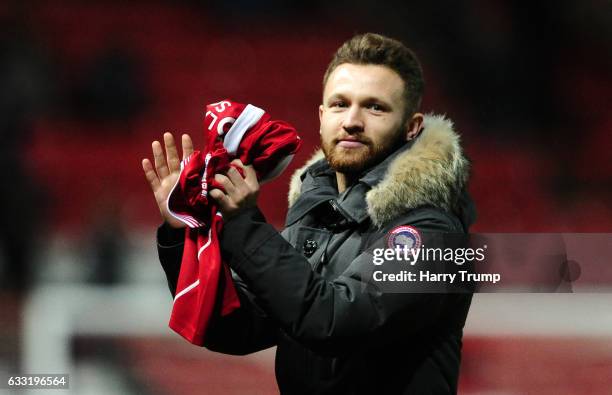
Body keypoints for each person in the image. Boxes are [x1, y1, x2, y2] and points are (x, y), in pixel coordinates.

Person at [142, 33, 476, 394]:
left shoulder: (433, 233)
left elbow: (333, 322)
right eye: (339, 104)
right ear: (321, 116)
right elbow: (235, 328)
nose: (352, 120)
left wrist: (243, 224)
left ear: (412, 128)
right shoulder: (318, 213)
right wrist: (183, 231)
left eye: (375, 107)